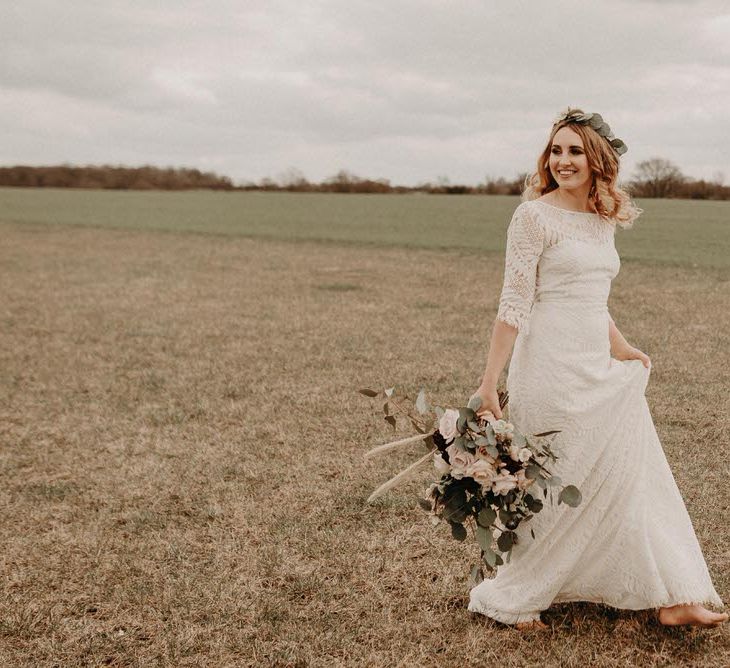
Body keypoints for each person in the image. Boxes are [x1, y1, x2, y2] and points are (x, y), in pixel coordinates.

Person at [467, 108, 728, 631]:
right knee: (552, 483)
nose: (563, 161)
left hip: (594, 362)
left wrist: (623, 346)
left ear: (597, 160)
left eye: (575, 151)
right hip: (547, 366)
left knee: (632, 475)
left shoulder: (602, 216)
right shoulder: (532, 217)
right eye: (556, 150)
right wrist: (489, 381)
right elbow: (514, 304)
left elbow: (593, 297)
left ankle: (671, 594)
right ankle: (520, 597)